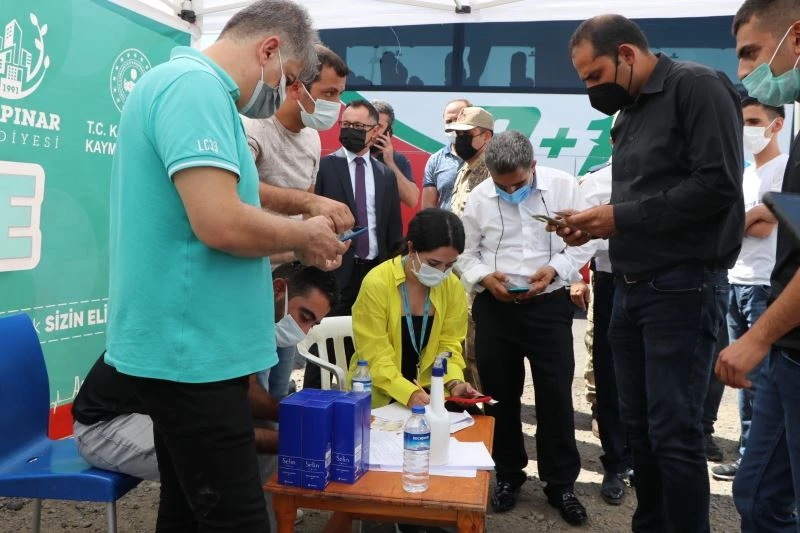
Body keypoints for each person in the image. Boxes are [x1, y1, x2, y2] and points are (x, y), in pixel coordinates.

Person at [104, 2, 351, 530]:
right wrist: (304, 237)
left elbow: (236, 188)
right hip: (191, 353)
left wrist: (304, 205)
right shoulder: (193, 89)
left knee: (188, 514)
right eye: (286, 78)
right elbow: (219, 219)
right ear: (268, 50)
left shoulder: (202, 93)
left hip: (198, 350)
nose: (278, 95)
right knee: (235, 518)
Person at [562, 15, 743, 532]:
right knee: (638, 429)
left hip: (684, 287)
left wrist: (616, 218)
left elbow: (717, 185)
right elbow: (642, 202)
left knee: (674, 433)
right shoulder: (628, 114)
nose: (591, 89)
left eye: (595, 75)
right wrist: (594, 228)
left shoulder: (697, 86)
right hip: (629, 286)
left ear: (626, 53)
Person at [74, 262, 337, 479]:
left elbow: (246, 391)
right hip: (106, 426)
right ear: (278, 289)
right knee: (223, 459)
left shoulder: (247, 314)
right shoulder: (221, 321)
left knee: (263, 435)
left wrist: (302, 417)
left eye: (313, 323)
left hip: (165, 413)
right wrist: (300, 439)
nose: (303, 331)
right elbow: (222, 428)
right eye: (304, 316)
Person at [457, 131, 591, 525]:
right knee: (500, 397)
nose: (511, 190)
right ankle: (508, 477)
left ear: (533, 166)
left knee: (554, 396)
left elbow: (585, 242)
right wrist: (485, 278)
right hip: (496, 307)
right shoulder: (480, 197)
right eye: (503, 186)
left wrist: (557, 270)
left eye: (518, 183)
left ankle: (560, 484)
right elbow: (466, 253)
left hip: (548, 306)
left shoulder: (564, 187)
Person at [716, 1, 800, 530]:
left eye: (751, 52)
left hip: (785, 339)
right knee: (757, 496)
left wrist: (758, 337)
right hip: (789, 350)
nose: (744, 72)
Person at [242, 44, 349, 401]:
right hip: (249, 283)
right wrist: (310, 203)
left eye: (340, 94)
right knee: (251, 397)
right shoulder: (254, 127)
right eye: (329, 93)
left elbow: (306, 212)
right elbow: (241, 190)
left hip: (289, 287)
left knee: (279, 392)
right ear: (296, 87)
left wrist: (324, 243)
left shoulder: (312, 139)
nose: (336, 105)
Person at [713, 97, 789, 482]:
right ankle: (747, 456)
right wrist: (752, 214)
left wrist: (740, 221)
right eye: (743, 122)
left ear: (776, 126)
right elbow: (752, 220)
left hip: (763, 284)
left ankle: (765, 464)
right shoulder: (745, 175)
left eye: (755, 121)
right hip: (736, 279)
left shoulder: (784, 172)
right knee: (742, 377)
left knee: (763, 378)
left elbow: (765, 227)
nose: (747, 130)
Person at [305, 100, 404, 388]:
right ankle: (315, 402)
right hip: (333, 273)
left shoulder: (385, 175)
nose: (350, 130)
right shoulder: (325, 167)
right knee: (321, 347)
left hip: (373, 274)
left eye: (358, 126)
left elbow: (392, 230)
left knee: (367, 347)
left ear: (375, 131)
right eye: (345, 125)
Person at [347, 208, 480, 408]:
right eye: (433, 263)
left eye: (450, 265)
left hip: (432, 392)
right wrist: (408, 392)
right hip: (380, 391)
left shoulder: (451, 285)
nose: (442, 272)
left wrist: (454, 382)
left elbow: (449, 346)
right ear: (411, 249)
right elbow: (374, 356)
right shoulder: (377, 283)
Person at [574, 160, 632, 505]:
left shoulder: (671, 173)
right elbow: (579, 241)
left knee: (648, 381)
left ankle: (640, 460)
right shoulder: (596, 182)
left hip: (659, 282)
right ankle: (615, 462)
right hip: (612, 281)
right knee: (609, 376)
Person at [421, 99, 471, 210]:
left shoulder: (487, 157)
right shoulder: (435, 160)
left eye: (457, 120)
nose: (453, 125)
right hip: (447, 227)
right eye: (449, 121)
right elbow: (427, 207)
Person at [371, 100, 420, 208]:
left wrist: (390, 163)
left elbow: (412, 200)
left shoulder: (397, 159)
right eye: (370, 124)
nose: (373, 130)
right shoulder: (349, 155)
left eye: (379, 126)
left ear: (388, 131)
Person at [447, 106, 494, 217]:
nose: (461, 139)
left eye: (467, 134)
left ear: (486, 137)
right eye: (458, 134)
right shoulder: (464, 169)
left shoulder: (493, 172)